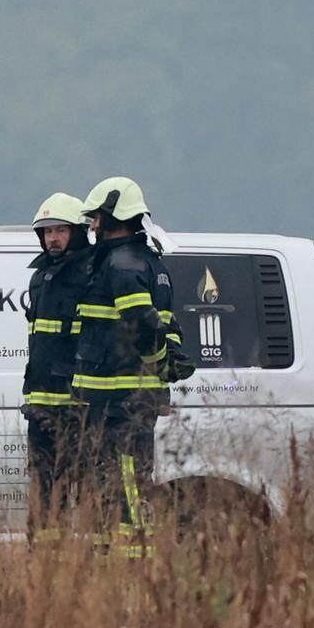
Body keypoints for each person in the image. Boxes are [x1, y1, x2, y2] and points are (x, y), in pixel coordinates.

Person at [72, 176, 191, 558]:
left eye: (96, 219)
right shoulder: (149, 263)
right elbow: (166, 324)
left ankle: (130, 562)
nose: (91, 226)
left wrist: (158, 362)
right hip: (129, 398)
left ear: (113, 217)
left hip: (116, 397)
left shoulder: (121, 264)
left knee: (121, 482)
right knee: (127, 479)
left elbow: (141, 322)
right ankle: (119, 557)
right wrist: (168, 359)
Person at [21, 192, 94, 540]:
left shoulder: (92, 274)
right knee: (44, 494)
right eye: (47, 232)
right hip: (40, 406)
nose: (53, 239)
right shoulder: (40, 278)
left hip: (78, 407)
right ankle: (47, 563)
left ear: (77, 232)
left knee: (85, 492)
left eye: (61, 230)